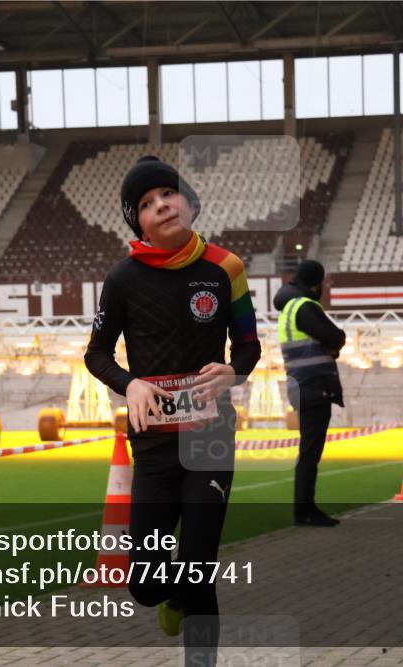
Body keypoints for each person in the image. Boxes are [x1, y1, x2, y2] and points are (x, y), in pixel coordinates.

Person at [84, 155, 261, 661]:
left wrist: (233, 371)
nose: (161, 205)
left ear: (189, 202)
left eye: (168, 193)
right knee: (145, 585)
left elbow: (249, 347)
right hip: (154, 446)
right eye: (146, 203)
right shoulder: (123, 278)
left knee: (200, 567)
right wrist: (131, 384)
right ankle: (174, 594)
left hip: (210, 438)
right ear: (137, 222)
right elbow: (96, 354)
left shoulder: (227, 268)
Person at [273, 260, 347, 527]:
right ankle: (305, 511)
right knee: (310, 453)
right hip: (314, 386)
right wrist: (334, 344)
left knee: (309, 450)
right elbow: (336, 337)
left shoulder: (288, 308)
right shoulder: (305, 307)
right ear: (317, 282)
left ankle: (305, 509)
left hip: (301, 384)